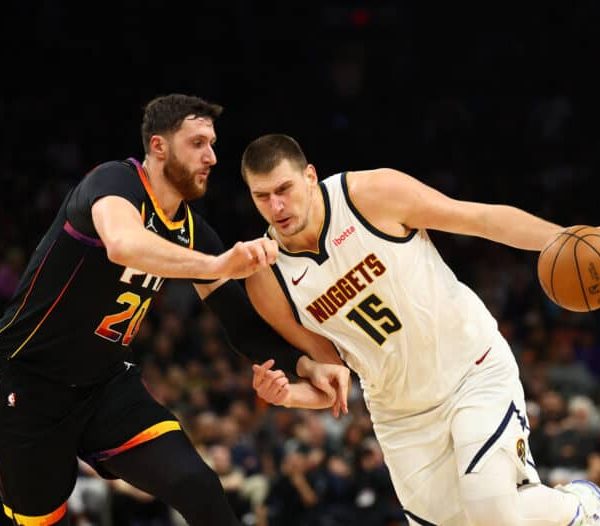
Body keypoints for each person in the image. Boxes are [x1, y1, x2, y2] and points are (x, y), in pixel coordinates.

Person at [0, 96, 349, 526]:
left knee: (197, 484)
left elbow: (239, 324)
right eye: (198, 143)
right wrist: (218, 265)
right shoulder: (114, 182)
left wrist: (305, 364)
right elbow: (123, 244)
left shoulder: (194, 232)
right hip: (29, 380)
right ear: (160, 146)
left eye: (213, 143)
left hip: (104, 387)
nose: (212, 157)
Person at [242, 133, 600, 525]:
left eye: (284, 189)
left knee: (492, 513)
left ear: (310, 176)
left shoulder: (371, 194)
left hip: (470, 371)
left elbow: (477, 219)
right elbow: (334, 378)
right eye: (262, 196)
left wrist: (560, 239)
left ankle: (583, 506)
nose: (276, 206)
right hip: (400, 415)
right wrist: (288, 396)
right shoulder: (267, 278)